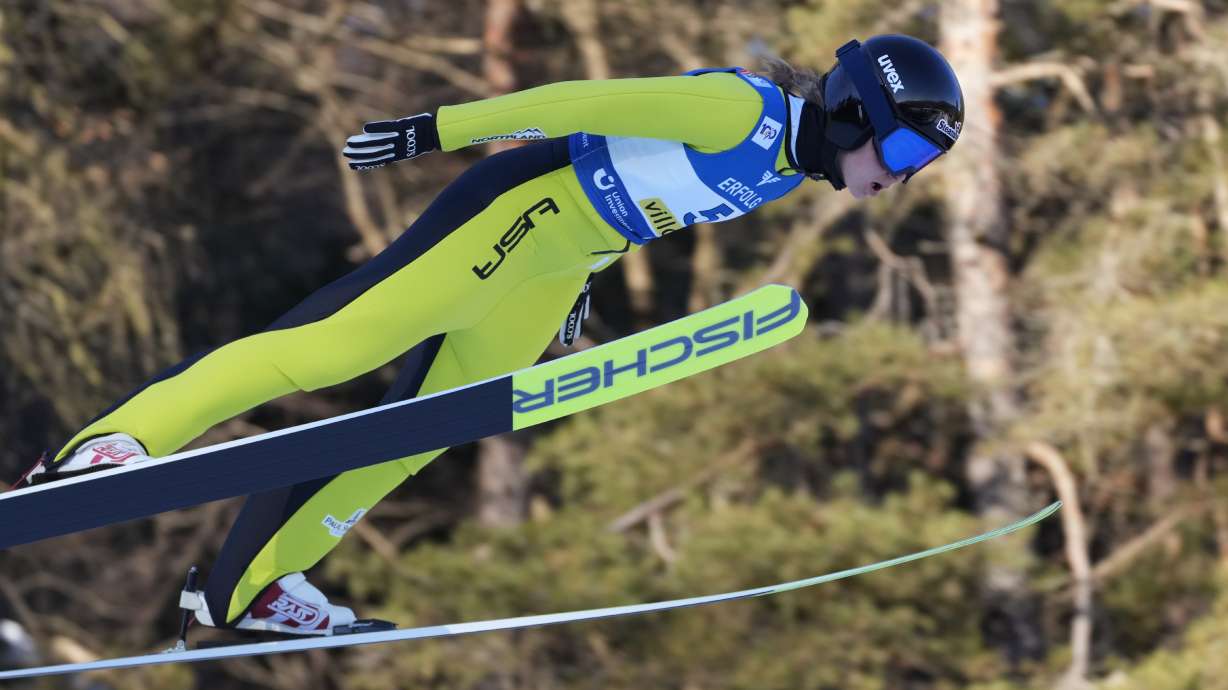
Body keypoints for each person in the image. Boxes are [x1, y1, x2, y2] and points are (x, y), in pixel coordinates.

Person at [17, 35, 964, 636]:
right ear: (856, 109)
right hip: (509, 217)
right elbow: (582, 106)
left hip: (555, 264)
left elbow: (632, 190)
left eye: (924, 164)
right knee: (330, 347)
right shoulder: (743, 114)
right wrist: (439, 127)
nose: (905, 176)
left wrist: (580, 287)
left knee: (422, 431)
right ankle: (109, 446)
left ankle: (248, 588)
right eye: (909, 150)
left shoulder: (787, 173)